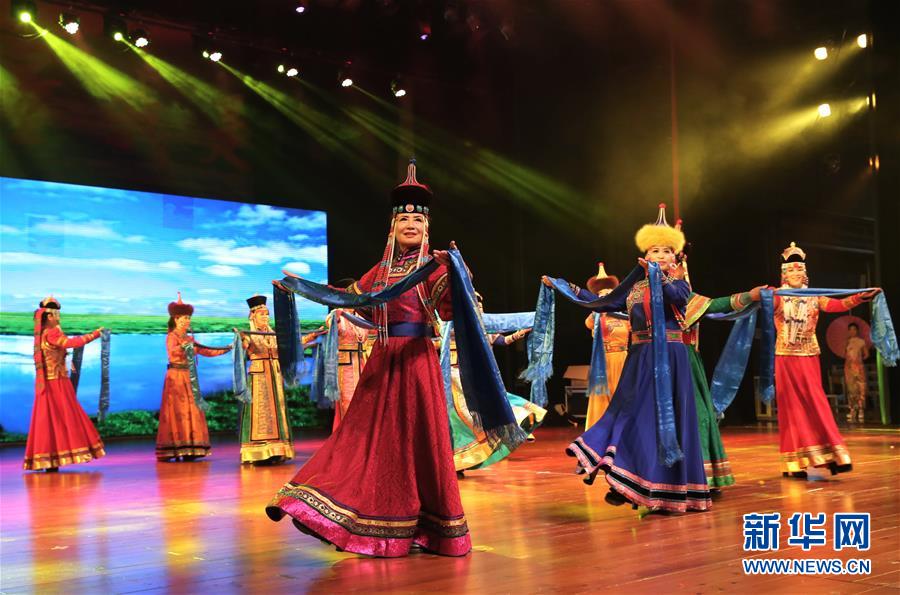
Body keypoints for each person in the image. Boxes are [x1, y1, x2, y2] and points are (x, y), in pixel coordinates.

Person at [266, 160, 471, 557]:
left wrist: (459, 270)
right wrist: (298, 286)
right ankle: (344, 514)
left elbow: (451, 310)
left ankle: (426, 527)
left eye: (418, 219)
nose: (410, 224)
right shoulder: (381, 270)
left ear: (427, 227)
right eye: (403, 219)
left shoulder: (435, 266)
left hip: (416, 364)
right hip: (382, 362)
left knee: (417, 443)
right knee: (362, 439)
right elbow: (350, 300)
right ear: (392, 228)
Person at [553, 204, 711, 513]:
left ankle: (651, 485)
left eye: (666, 251)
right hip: (639, 358)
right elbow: (606, 302)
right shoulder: (635, 288)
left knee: (663, 420)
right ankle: (623, 476)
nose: (660, 255)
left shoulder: (678, 283)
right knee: (628, 415)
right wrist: (566, 288)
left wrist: (659, 277)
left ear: (675, 257)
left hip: (670, 360)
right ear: (645, 255)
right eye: (654, 251)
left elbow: (678, 299)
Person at [773, 243, 878, 477]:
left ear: (805, 272)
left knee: (816, 402)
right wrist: (763, 294)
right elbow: (760, 303)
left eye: (800, 269)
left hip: (809, 355)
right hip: (786, 357)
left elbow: (837, 305)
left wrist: (859, 297)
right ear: (784, 273)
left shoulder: (813, 297)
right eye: (791, 269)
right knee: (791, 407)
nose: (796, 273)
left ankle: (832, 454)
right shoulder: (778, 297)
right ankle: (794, 462)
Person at [24, 296, 105, 471]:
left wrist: (66, 361)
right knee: (66, 418)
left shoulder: (43, 333)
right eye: (56, 314)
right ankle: (55, 458)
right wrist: (95, 334)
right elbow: (71, 343)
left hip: (49, 382)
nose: (59, 317)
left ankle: (49, 459)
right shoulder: (52, 332)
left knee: (50, 421)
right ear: (49, 316)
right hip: (57, 384)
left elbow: (57, 353)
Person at [156, 293, 232, 462]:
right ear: (176, 319)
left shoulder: (189, 338)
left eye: (189, 318)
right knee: (177, 411)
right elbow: (172, 352)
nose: (187, 321)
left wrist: (228, 348)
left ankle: (191, 448)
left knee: (192, 410)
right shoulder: (172, 336)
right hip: (175, 378)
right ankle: (176, 447)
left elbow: (207, 351)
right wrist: (183, 347)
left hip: (189, 377)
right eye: (184, 318)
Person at [237, 295, 294, 464]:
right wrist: (241, 339)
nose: (266, 317)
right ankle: (259, 452)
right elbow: (242, 349)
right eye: (262, 314)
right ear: (253, 315)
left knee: (277, 410)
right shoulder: (249, 333)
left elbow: (286, 348)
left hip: (274, 374)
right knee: (261, 412)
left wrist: (311, 337)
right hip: (259, 376)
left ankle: (278, 450)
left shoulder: (273, 333)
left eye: (267, 314)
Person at [583, 263, 629, 429]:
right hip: (602, 361)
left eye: (609, 293)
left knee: (623, 395)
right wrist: (598, 309)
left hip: (622, 359)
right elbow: (588, 323)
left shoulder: (626, 317)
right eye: (602, 294)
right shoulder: (595, 317)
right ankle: (599, 430)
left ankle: (623, 430)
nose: (606, 296)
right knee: (601, 397)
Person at [843, 323, 870, 423]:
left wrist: (858, 359)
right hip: (848, 368)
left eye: (854, 329)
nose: (852, 331)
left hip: (858, 367)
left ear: (857, 330)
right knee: (851, 388)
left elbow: (866, 354)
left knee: (861, 388)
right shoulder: (847, 342)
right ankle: (852, 410)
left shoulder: (861, 341)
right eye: (850, 329)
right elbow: (844, 354)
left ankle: (861, 410)